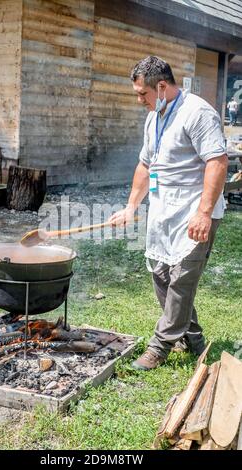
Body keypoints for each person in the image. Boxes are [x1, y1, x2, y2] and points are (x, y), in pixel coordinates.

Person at [109, 56, 228, 371]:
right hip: (164, 211)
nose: (139, 100)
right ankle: (195, 340)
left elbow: (217, 162)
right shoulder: (154, 116)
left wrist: (203, 213)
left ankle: (159, 346)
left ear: (161, 86)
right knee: (161, 275)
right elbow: (146, 165)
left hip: (195, 210)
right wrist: (131, 206)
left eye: (142, 94)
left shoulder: (197, 113)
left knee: (181, 280)